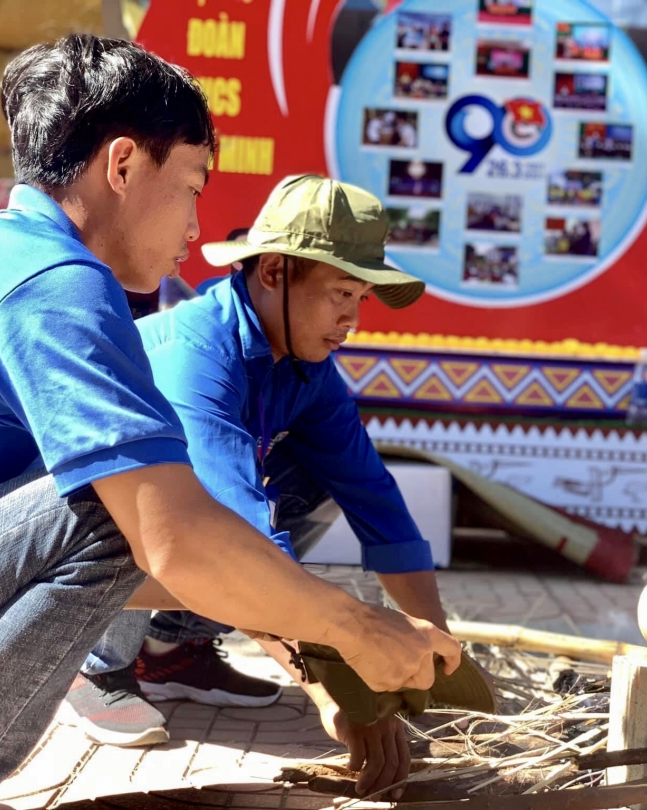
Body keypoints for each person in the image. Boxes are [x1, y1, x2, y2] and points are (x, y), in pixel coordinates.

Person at [0, 35, 460, 810]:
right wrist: (354, 636)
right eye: (194, 185)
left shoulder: (2, 255)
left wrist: (374, 649)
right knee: (123, 510)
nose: (197, 229)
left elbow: (171, 564)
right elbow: (179, 538)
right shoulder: (57, 285)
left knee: (139, 516)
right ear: (124, 165)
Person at [65, 175, 453, 795]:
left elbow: (376, 503)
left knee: (312, 478)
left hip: (189, 539)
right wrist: (331, 691)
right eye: (341, 293)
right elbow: (236, 540)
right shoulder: (198, 355)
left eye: (363, 298)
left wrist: (439, 663)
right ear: (273, 272)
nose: (352, 318)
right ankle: (94, 664)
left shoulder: (307, 367)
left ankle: (172, 648)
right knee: (159, 504)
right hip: (57, 538)